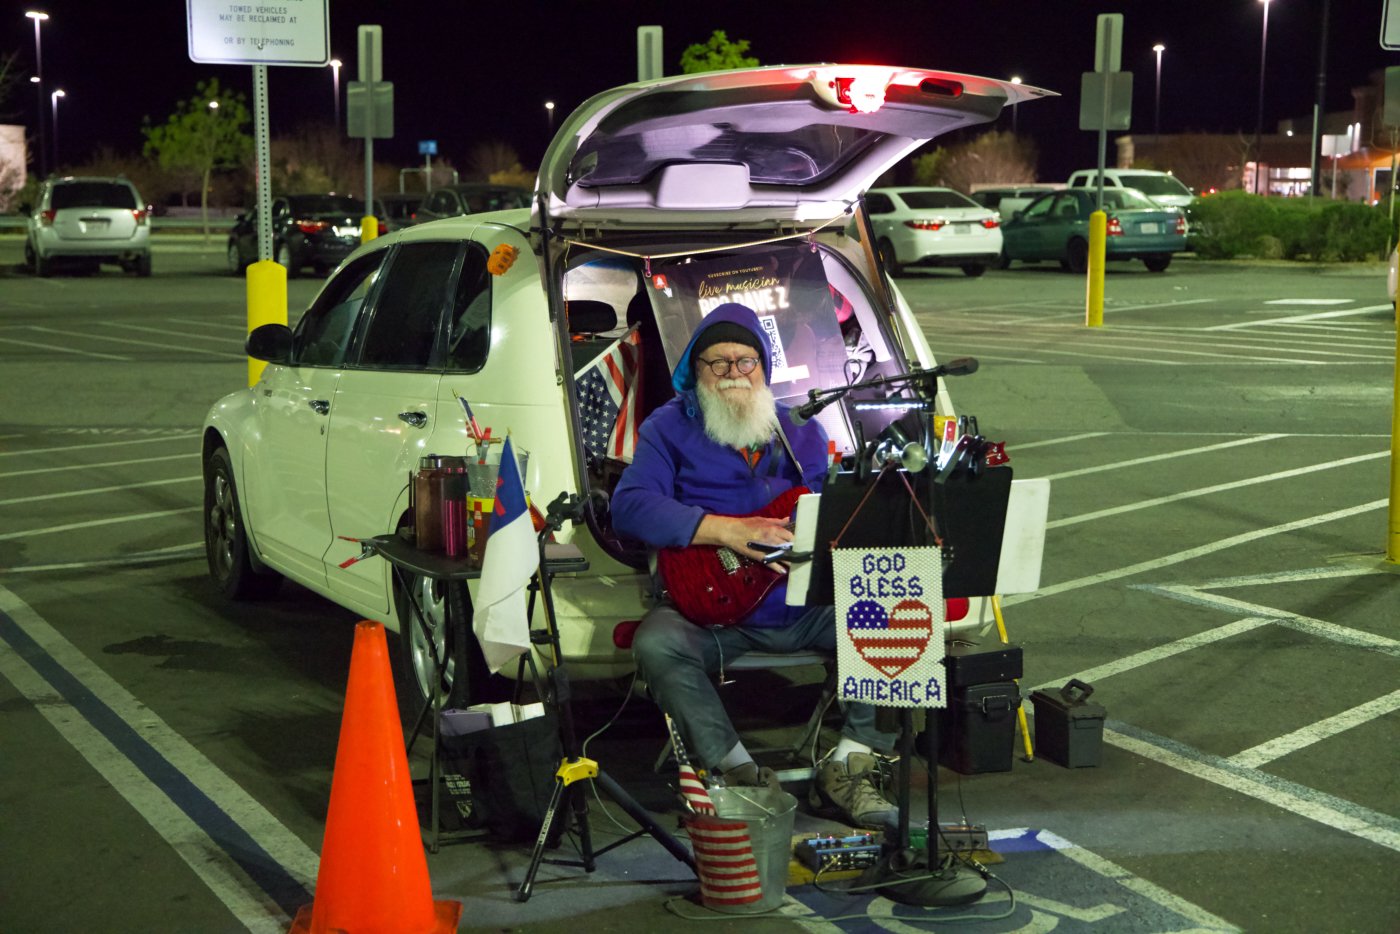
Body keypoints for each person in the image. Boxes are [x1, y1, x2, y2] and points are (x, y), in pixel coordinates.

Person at [611, 302, 898, 830]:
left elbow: (828, 509)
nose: (732, 374)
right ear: (694, 372)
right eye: (716, 363)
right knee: (656, 642)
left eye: (745, 361)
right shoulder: (667, 428)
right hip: (715, 618)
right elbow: (629, 507)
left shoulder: (799, 428)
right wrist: (730, 530)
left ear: (764, 368)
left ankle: (854, 765)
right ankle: (735, 774)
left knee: (899, 614)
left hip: (802, 606)